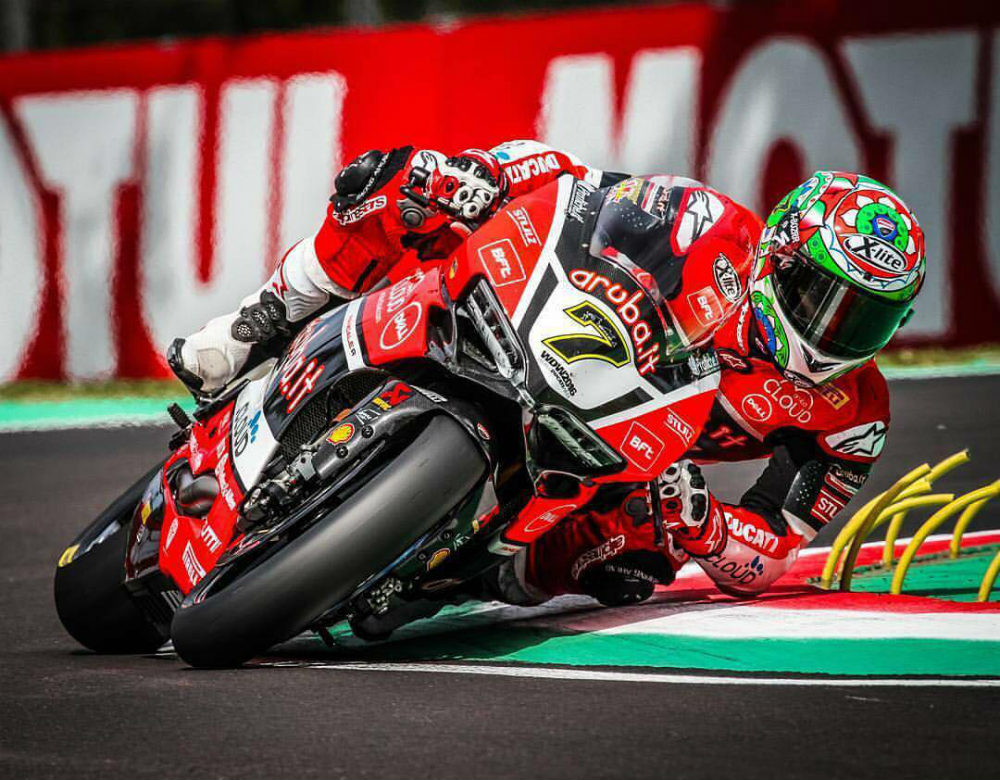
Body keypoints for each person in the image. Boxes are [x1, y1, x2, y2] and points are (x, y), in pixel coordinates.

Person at [504, 172, 926, 608]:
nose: (832, 329)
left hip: (622, 463)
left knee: (646, 545)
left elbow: (778, 545)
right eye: (817, 296)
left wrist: (704, 522)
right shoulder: (713, 225)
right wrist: (499, 174)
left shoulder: (856, 414)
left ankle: (505, 570)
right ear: (780, 259)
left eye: (864, 319)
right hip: (560, 350)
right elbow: (581, 187)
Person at [168, 141, 613, 394]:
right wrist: (483, 174)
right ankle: (258, 324)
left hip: (572, 383)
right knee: (398, 184)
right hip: (482, 292)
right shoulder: (629, 202)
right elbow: (560, 169)